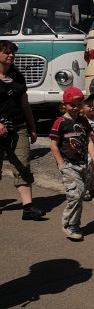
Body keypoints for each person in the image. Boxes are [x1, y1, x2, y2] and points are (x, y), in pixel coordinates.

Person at [0, 40, 44, 220]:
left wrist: (33, 127)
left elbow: (24, 104)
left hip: (18, 127)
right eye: (6, 52)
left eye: (12, 52)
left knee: (23, 164)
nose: (11, 55)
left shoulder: (18, 76)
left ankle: (28, 208)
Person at [49, 87, 94, 241]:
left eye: (78, 104)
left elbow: (89, 140)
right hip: (68, 165)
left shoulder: (83, 121)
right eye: (72, 104)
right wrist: (61, 164)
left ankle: (74, 223)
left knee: (81, 192)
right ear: (64, 104)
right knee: (75, 195)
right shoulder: (60, 122)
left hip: (82, 164)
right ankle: (69, 225)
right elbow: (53, 145)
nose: (75, 108)